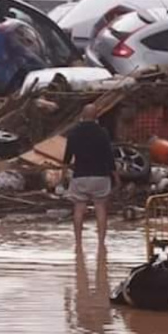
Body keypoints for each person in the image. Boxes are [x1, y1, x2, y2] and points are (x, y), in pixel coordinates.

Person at [63, 104, 121, 246]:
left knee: (79, 208)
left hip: (80, 175)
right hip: (100, 176)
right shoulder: (103, 132)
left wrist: (63, 174)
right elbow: (109, 156)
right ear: (96, 116)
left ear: (82, 115)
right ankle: (101, 243)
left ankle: (78, 243)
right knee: (100, 207)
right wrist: (116, 176)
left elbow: (67, 157)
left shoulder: (74, 132)